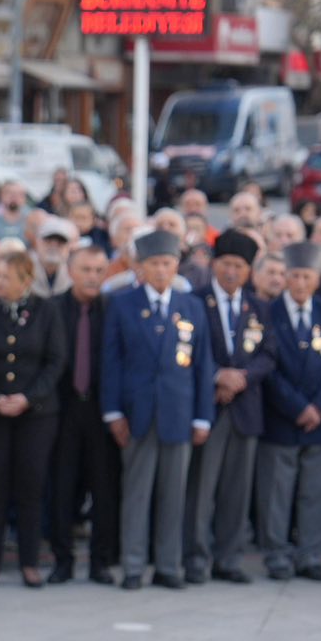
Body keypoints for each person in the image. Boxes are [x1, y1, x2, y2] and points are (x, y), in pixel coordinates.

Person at [101, 228, 214, 590]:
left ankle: (169, 565)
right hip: (138, 412)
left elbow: (202, 365)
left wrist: (202, 416)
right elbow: (112, 363)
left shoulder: (192, 306)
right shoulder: (122, 304)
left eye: (167, 263)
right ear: (140, 267)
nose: (161, 270)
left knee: (173, 493)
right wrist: (113, 412)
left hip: (179, 413)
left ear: (177, 265)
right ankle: (133, 565)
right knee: (136, 492)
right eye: (154, 264)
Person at [0, 247, 65, 586]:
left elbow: (55, 362)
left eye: (6, 277)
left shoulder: (47, 311)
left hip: (36, 413)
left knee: (30, 484)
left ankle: (29, 561)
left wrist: (27, 397)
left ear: (25, 281)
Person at [259, 242, 321, 581]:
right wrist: (297, 406)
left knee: (316, 490)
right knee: (277, 493)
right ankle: (277, 555)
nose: (300, 283)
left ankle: (310, 555)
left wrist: (320, 407)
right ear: (285, 277)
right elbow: (268, 368)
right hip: (282, 419)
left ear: (317, 279)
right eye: (294, 275)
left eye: (307, 276)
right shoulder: (269, 313)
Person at [185, 229, 274, 584]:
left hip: (245, 407)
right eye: (226, 264)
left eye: (239, 266)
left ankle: (229, 558)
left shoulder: (259, 307)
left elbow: (269, 354)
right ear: (214, 264)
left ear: (249, 270)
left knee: (237, 490)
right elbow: (190, 350)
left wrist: (242, 378)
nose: (232, 272)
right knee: (202, 490)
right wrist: (217, 376)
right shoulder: (195, 301)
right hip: (209, 407)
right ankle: (195, 557)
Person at [49, 244, 118, 585]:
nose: (93, 277)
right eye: (86, 270)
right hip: (62, 410)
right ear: (72, 271)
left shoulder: (113, 309)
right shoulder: (54, 308)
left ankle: (100, 562)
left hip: (102, 411)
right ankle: (62, 560)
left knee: (103, 489)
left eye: (99, 270)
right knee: (61, 488)